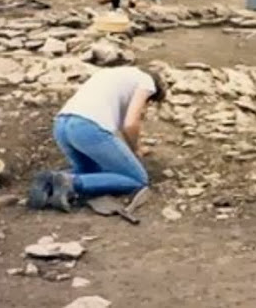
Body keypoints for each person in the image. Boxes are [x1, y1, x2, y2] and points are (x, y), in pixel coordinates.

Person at [28, 66, 167, 212]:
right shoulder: (146, 81)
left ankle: (50, 181)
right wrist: (136, 149)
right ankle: (71, 183)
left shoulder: (110, 74)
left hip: (62, 125)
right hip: (86, 127)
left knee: (91, 171)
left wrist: (130, 151)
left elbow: (118, 134)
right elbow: (130, 124)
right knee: (138, 179)